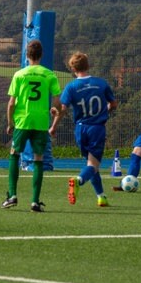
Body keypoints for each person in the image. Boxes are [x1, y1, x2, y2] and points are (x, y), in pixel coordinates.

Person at [49, 51, 117, 207]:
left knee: (91, 165)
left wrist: (53, 127)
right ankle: (78, 180)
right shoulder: (101, 83)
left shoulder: (71, 87)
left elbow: (63, 108)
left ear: (73, 69)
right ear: (88, 65)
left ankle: (101, 197)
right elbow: (113, 104)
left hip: (80, 130)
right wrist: (105, 110)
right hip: (96, 129)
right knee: (92, 166)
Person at [1, 39, 62, 212]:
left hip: (23, 121)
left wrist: (10, 122)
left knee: (14, 154)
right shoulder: (49, 75)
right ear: (41, 55)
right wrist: (53, 109)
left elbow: (11, 103)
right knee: (38, 159)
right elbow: (57, 101)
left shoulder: (19, 75)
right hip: (41, 122)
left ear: (27, 55)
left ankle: (12, 195)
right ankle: (35, 201)